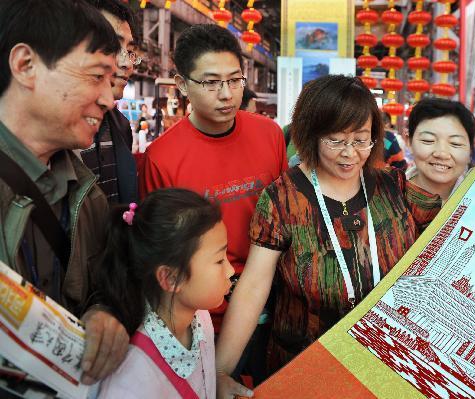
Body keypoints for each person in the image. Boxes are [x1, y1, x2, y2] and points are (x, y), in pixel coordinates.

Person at [216, 75, 442, 397]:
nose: (350, 154)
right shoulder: (283, 199)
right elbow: (254, 285)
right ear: (310, 135)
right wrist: (221, 370)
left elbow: (448, 235)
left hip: (385, 365)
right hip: (304, 367)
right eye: (335, 141)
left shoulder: (394, 186)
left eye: (362, 140)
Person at [140, 23, 287, 386]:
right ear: (182, 84)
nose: (226, 94)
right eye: (210, 82)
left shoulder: (269, 135)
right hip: (208, 320)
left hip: (278, 306)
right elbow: (162, 254)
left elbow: (286, 219)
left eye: (234, 80)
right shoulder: (161, 158)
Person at [0, 0, 128, 387]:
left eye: (111, 80)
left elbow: (107, 282)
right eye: (96, 76)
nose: (109, 98)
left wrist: (107, 312)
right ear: (25, 65)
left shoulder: (87, 194)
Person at [97, 189, 233, 398]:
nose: (231, 270)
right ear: (169, 278)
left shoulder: (200, 317)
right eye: (219, 260)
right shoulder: (131, 381)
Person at [80, 0, 139, 204]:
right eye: (113, 46)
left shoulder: (121, 127)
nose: (126, 63)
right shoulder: (54, 134)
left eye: (130, 51)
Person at [405, 98, 475, 202]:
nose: (442, 154)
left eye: (455, 143)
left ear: (470, 150)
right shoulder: (386, 197)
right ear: (409, 142)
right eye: (428, 140)